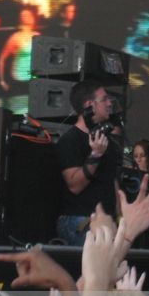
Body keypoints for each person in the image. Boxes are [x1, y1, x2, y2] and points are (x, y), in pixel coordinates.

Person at [54, 80, 121, 246]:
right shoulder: (70, 140)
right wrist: (95, 155)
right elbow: (75, 185)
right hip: (81, 220)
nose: (109, 103)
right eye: (104, 99)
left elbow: (112, 180)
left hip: (107, 219)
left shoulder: (107, 140)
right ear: (89, 105)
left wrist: (120, 216)